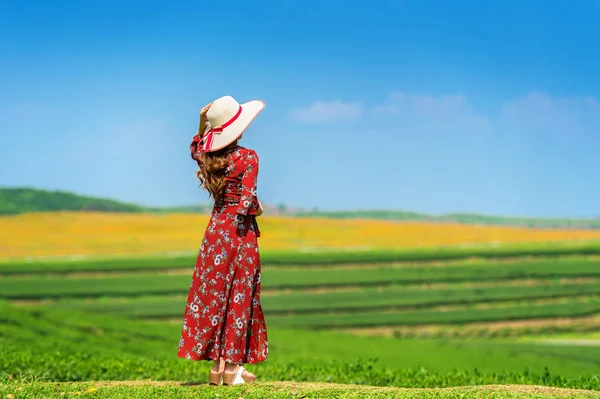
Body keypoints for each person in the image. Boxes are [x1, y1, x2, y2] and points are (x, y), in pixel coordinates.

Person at [177, 95, 268, 386]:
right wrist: (256, 208)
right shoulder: (248, 157)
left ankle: (218, 370)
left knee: (217, 297)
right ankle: (232, 370)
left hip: (215, 232)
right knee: (239, 297)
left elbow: (196, 147)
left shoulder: (209, 157)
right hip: (239, 233)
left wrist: (203, 122)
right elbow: (245, 203)